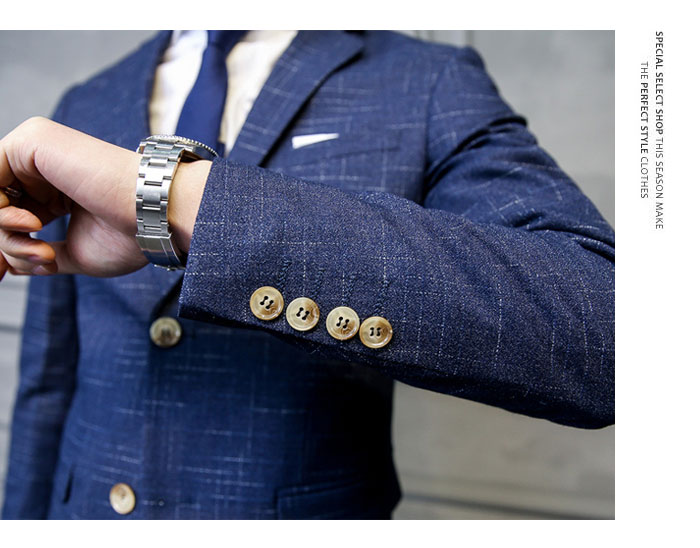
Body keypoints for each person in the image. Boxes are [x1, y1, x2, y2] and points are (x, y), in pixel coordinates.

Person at [0, 30, 614, 519]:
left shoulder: (427, 80)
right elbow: (48, 384)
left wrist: (181, 200)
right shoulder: (88, 100)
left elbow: (605, 330)